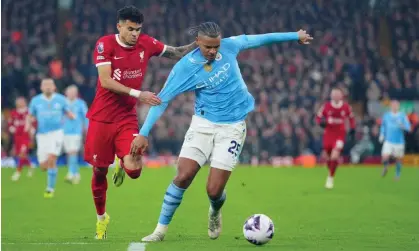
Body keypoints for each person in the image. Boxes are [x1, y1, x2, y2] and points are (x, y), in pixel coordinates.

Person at [129, 22, 313, 242]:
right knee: (183, 176)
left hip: (233, 128)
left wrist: (295, 35)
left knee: (214, 190)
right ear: (197, 42)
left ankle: (215, 211)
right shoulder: (185, 68)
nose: (213, 51)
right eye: (208, 47)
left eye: (216, 46)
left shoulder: (229, 46)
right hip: (203, 125)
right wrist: (144, 132)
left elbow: (260, 38)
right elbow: (162, 100)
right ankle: (160, 231)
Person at [84, 5, 196, 240]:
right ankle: (102, 219)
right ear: (120, 26)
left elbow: (175, 52)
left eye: (138, 29)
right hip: (102, 117)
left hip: (126, 117)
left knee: (134, 171)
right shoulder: (105, 44)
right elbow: (105, 81)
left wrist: (199, 43)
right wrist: (138, 94)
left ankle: (122, 160)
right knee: (98, 171)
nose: (135, 34)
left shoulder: (147, 43)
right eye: (131, 29)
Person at [26, 78, 74, 198]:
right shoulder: (35, 101)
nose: (47, 87)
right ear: (41, 88)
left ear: (54, 87)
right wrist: (28, 124)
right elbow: (30, 115)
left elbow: (68, 112)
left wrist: (72, 116)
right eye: (45, 85)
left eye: (50, 85)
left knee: (52, 158)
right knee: (43, 166)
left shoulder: (61, 99)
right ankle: (50, 172)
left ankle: (50, 188)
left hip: (56, 133)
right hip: (42, 135)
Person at [315, 88, 355, 189]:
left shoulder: (346, 107)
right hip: (328, 134)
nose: (336, 96)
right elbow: (318, 117)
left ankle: (330, 178)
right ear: (331, 96)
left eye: (338, 94)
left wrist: (352, 128)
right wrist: (321, 122)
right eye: (334, 94)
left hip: (340, 135)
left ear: (341, 96)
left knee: (334, 156)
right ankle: (332, 170)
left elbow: (351, 117)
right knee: (328, 158)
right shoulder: (327, 106)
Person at [63, 85, 88, 184]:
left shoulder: (81, 103)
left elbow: (86, 117)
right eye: (70, 92)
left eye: (74, 92)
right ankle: (76, 174)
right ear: (66, 92)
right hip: (65, 131)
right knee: (69, 153)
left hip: (76, 131)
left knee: (73, 152)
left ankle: (70, 173)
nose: (72, 94)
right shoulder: (63, 103)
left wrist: (86, 128)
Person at [379, 100, 411, 180]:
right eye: (393, 105)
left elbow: (408, 128)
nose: (394, 107)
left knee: (398, 159)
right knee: (385, 156)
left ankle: (397, 174)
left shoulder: (402, 116)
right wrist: (382, 134)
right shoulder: (386, 116)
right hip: (388, 140)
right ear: (390, 106)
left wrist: (403, 126)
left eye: (396, 105)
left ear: (398, 106)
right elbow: (383, 126)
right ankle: (386, 167)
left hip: (399, 142)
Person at [9, 97, 35, 181]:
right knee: (21, 154)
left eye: (22, 102)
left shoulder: (29, 112)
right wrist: (11, 128)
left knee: (22, 153)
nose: (20, 103)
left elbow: (34, 122)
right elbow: (10, 123)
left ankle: (18, 172)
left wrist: (32, 130)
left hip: (26, 136)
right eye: (18, 102)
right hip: (17, 137)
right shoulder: (13, 113)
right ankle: (31, 166)